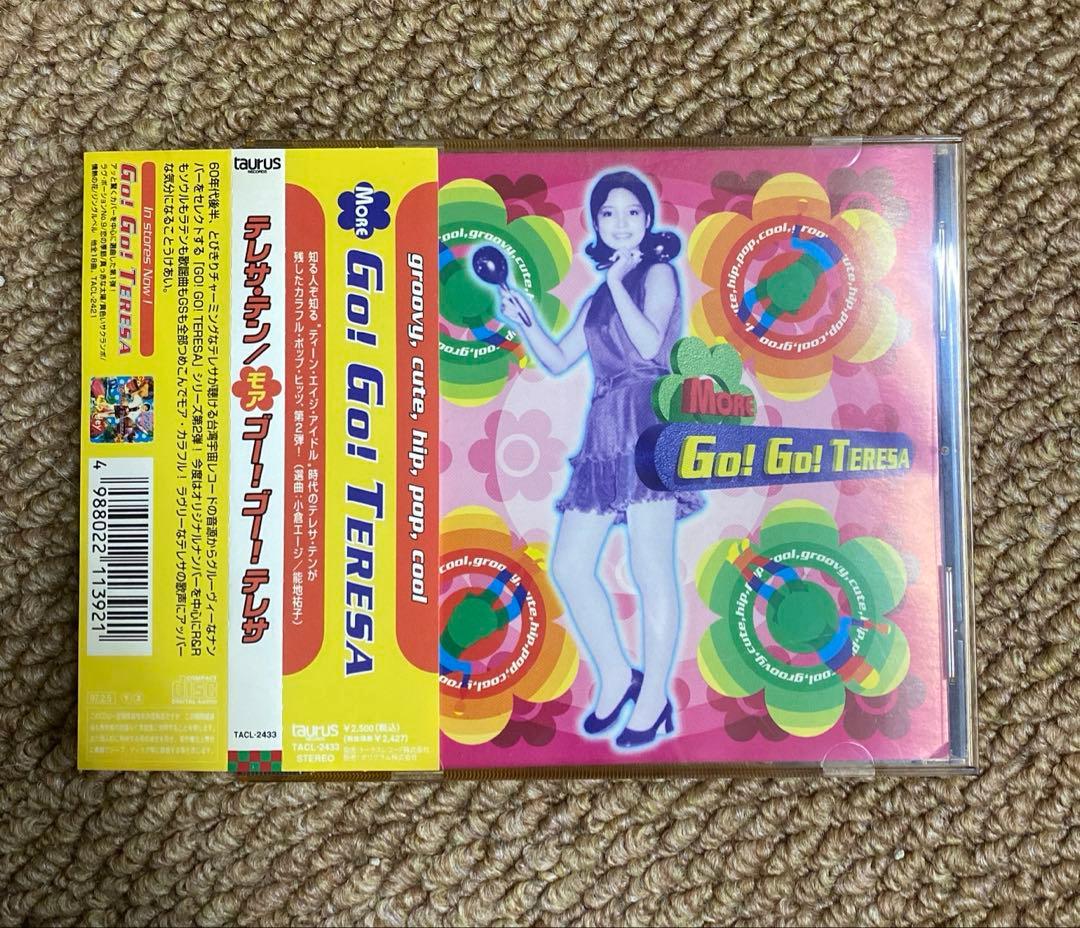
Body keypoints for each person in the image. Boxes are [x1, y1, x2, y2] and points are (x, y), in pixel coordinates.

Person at [495, 170, 702, 749]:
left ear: (648, 219)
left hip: (649, 420)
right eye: (608, 213)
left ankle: (653, 696)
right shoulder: (598, 295)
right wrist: (525, 318)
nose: (620, 222)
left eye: (632, 212)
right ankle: (616, 675)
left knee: (650, 566)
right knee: (569, 564)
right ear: (596, 223)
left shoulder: (657, 273)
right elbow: (560, 359)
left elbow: (648, 345)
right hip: (605, 426)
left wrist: (614, 283)